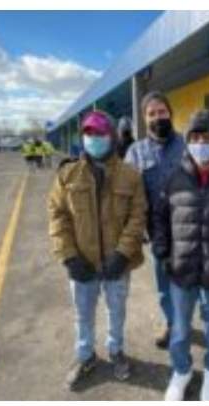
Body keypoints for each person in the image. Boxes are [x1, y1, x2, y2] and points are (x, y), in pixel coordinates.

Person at [48, 111, 147, 391]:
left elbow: (138, 216)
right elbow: (57, 215)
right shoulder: (67, 174)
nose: (94, 138)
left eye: (100, 133)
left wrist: (123, 254)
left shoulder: (130, 175)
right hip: (82, 263)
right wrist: (69, 256)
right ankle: (85, 356)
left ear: (112, 136)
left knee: (117, 312)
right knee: (83, 315)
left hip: (118, 264)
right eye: (89, 133)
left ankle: (116, 350)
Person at [152, 109, 209, 401]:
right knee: (180, 330)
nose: (200, 143)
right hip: (182, 270)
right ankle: (181, 371)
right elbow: (159, 218)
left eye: (207, 138)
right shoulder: (174, 176)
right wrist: (163, 253)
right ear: (187, 141)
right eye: (194, 138)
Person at [124, 91, 187, 349]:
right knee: (165, 284)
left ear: (170, 113)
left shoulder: (187, 144)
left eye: (162, 112)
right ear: (144, 118)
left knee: (201, 284)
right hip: (158, 233)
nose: (158, 117)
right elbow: (129, 194)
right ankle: (172, 323)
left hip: (188, 229)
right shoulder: (135, 152)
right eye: (152, 113)